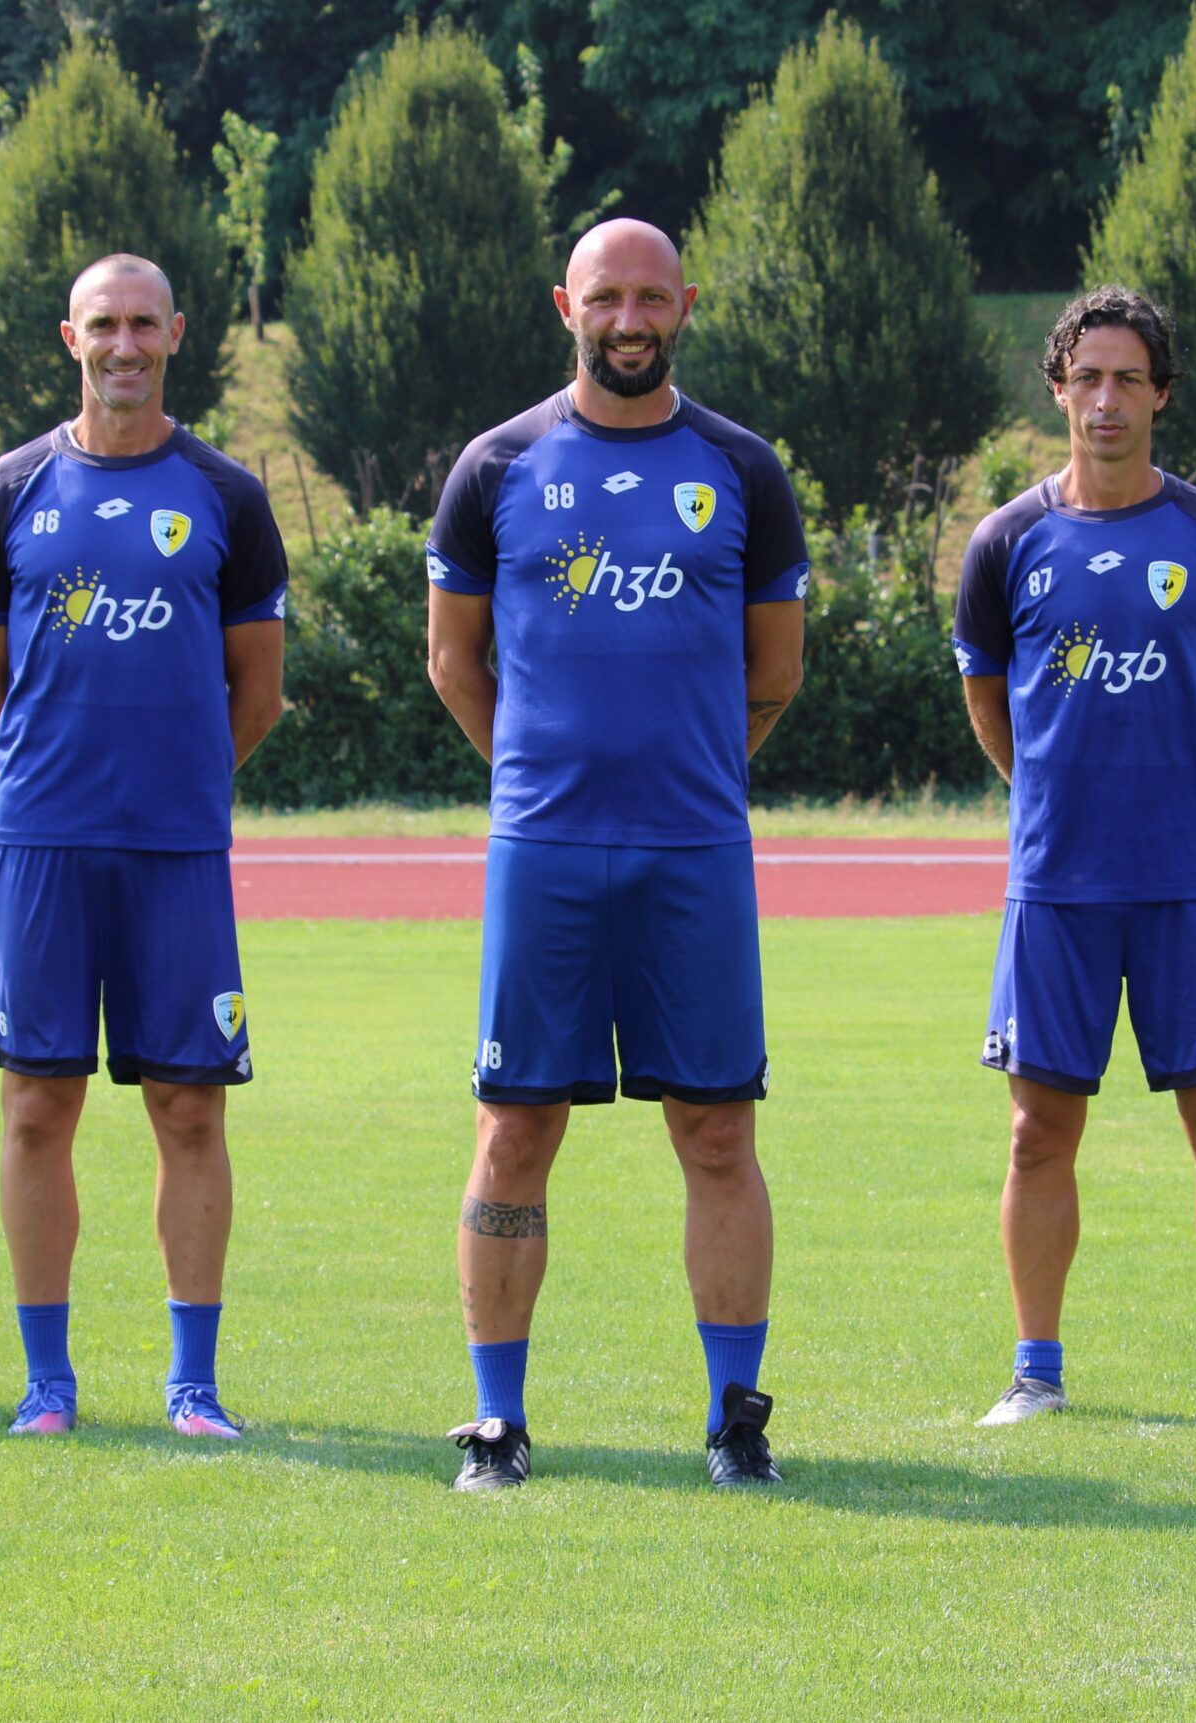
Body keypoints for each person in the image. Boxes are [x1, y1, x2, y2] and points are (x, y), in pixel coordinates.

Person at [424, 218, 808, 1490]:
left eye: (651, 297)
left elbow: (773, 673)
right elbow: (453, 661)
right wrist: (539, 773)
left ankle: (735, 1420)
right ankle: (496, 1419)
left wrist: (686, 765)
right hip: (544, 850)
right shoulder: (497, 465)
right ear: (565, 306)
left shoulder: (743, 468)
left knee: (714, 1129)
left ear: (686, 304)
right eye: (606, 298)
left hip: (694, 850)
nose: (629, 319)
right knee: (514, 1129)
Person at [951, 285, 1196, 1431]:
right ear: (1056, 389)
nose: (1106, 400)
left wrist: (1183, 785)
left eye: (1128, 379)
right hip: (1056, 884)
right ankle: (1036, 1374)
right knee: (1037, 1131)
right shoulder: (1007, 539)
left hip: (1189, 880)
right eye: (1085, 377)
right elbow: (988, 698)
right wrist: (1057, 795)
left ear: (1161, 394)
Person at [0, 254, 287, 1439]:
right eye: (104, 324)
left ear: (178, 334)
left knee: (190, 1112)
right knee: (37, 1108)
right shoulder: (6, 490)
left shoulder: (228, 497)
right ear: (70, 337)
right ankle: (48, 1382)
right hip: (41, 845)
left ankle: (192, 1386)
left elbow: (255, 694)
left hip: (177, 850)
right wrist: (63, 780)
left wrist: (172, 782)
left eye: (145, 323)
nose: (125, 344)